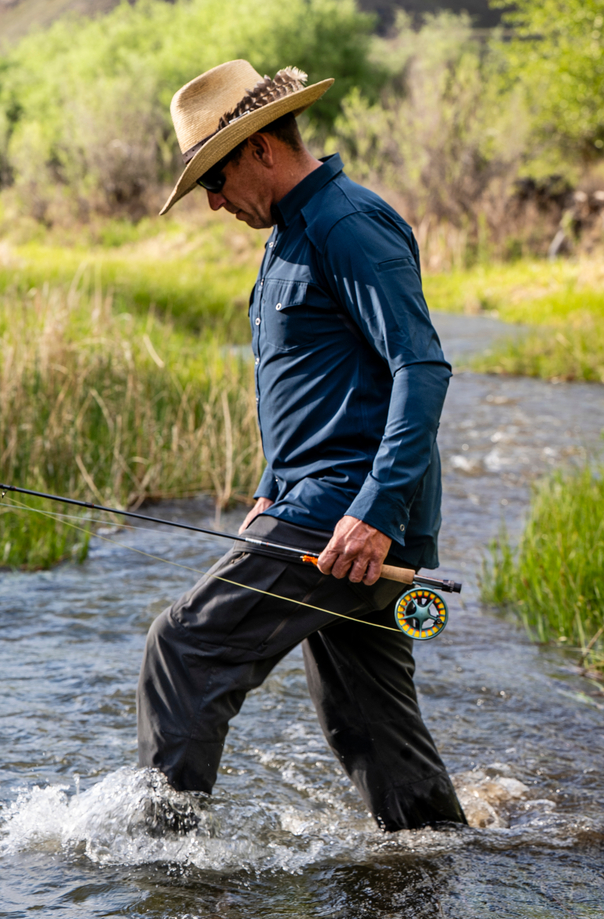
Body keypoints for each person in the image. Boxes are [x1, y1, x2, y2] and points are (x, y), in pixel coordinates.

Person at [138, 60, 467, 831]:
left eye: (213, 179)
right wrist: (267, 487)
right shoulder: (290, 233)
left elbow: (420, 366)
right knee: (367, 721)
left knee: (183, 650)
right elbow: (322, 382)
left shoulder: (347, 223)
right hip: (318, 506)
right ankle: (439, 860)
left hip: (346, 512)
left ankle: (164, 866)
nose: (214, 201)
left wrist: (375, 512)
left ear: (259, 148)